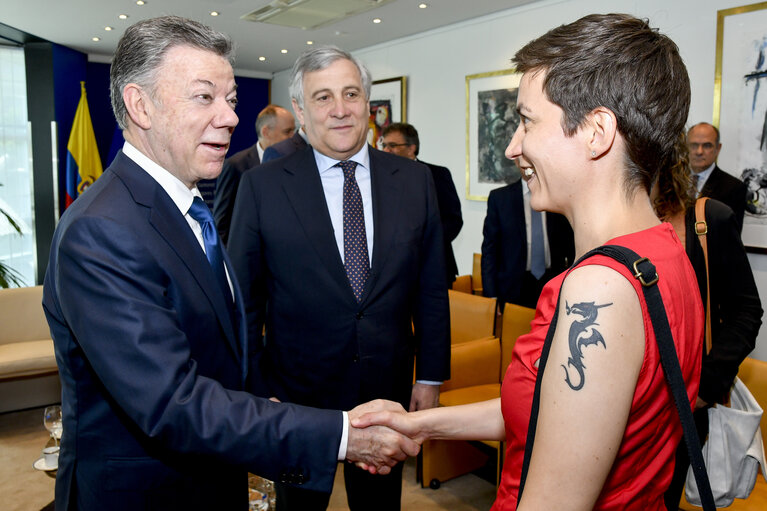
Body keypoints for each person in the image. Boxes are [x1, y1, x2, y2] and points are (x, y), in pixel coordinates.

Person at [42, 17, 418, 511]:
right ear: (140, 105)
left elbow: (220, 345)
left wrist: (265, 401)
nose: (229, 118)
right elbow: (173, 404)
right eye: (204, 97)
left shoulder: (188, 208)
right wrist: (342, 434)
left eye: (231, 100)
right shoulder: (101, 230)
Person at [353, 13, 704, 510]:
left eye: (527, 120)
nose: (514, 146)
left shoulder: (597, 290)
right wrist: (419, 423)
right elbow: (547, 411)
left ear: (596, 131)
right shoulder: (665, 251)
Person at [227, 45, 450, 511]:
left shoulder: (413, 181)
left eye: (350, 93)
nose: (340, 109)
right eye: (323, 97)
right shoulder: (263, 186)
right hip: (297, 396)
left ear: (368, 105)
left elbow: (430, 287)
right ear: (302, 112)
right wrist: (255, 387)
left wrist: (430, 375)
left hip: (385, 388)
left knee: (379, 505)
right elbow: (244, 300)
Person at [653, 136, 763, 510]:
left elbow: (747, 311)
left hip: (685, 400)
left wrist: (706, 386)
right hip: (630, 396)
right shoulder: (616, 221)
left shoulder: (708, 219)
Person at [381, 122, 463, 284]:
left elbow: (453, 221)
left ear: (411, 148)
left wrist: (422, 245)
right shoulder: (379, 179)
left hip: (433, 268)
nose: (386, 150)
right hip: (391, 274)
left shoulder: (437, 175)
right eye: (384, 145)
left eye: (392, 145)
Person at [481, 178, 574, 309]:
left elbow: (570, 244)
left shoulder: (557, 194)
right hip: (513, 287)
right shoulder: (500, 198)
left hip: (552, 283)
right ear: (516, 161)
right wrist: (491, 296)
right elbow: (489, 251)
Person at [213, 104, 295, 245]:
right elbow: (222, 222)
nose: (293, 138)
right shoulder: (236, 165)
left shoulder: (294, 163)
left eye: (294, 131)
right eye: (287, 132)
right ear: (266, 132)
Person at [687, 122, 747, 232]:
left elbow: (731, 238)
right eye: (694, 145)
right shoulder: (671, 182)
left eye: (707, 145)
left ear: (718, 148)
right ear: (686, 146)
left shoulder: (734, 188)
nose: (699, 151)